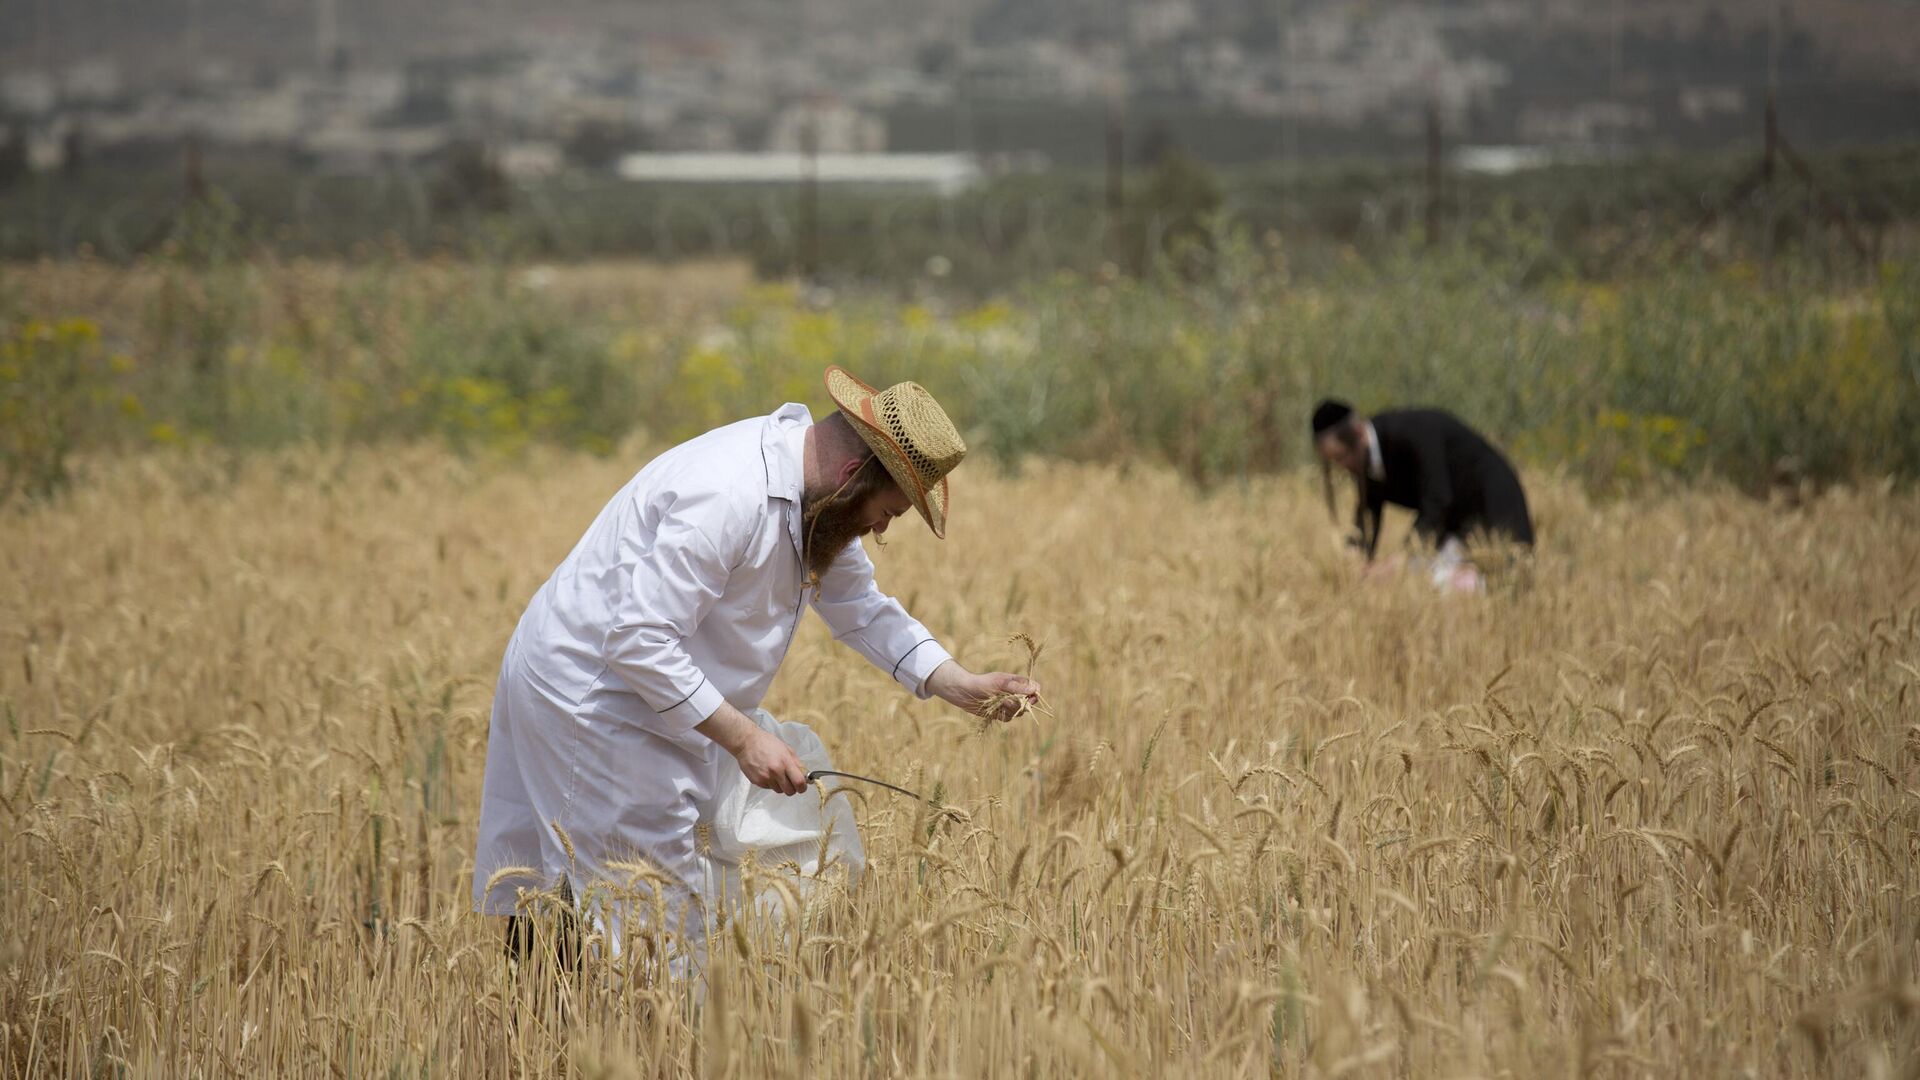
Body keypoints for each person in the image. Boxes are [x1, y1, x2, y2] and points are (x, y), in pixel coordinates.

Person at [473, 365, 1041, 971]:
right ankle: (584, 1040)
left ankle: (546, 1031)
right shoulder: (728, 494)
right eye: (889, 512)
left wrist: (961, 684)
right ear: (852, 477)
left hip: (642, 688)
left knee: (588, 900)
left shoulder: (813, 500)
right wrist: (745, 738)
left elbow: (860, 606)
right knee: (644, 921)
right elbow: (638, 639)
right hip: (592, 695)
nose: (879, 530)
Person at [1311, 399, 1533, 588]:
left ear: (1358, 433)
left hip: (1495, 509)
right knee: (1430, 581)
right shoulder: (1365, 460)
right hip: (1457, 524)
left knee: (1497, 583)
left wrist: (1403, 559)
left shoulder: (1413, 432)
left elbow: (1437, 499)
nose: (1342, 466)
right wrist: (1353, 560)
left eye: (1341, 457)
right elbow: (1368, 515)